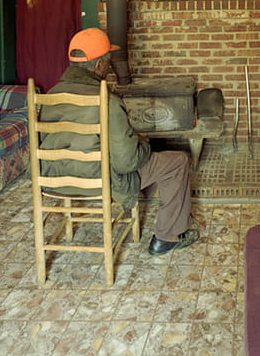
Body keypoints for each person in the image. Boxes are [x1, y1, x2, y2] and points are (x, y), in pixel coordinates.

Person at [40, 28, 199, 256]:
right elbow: (126, 162)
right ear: (98, 66)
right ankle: (167, 237)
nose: (109, 66)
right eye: (107, 61)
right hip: (99, 180)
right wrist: (144, 144)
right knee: (177, 162)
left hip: (53, 180)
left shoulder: (50, 96)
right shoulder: (107, 101)